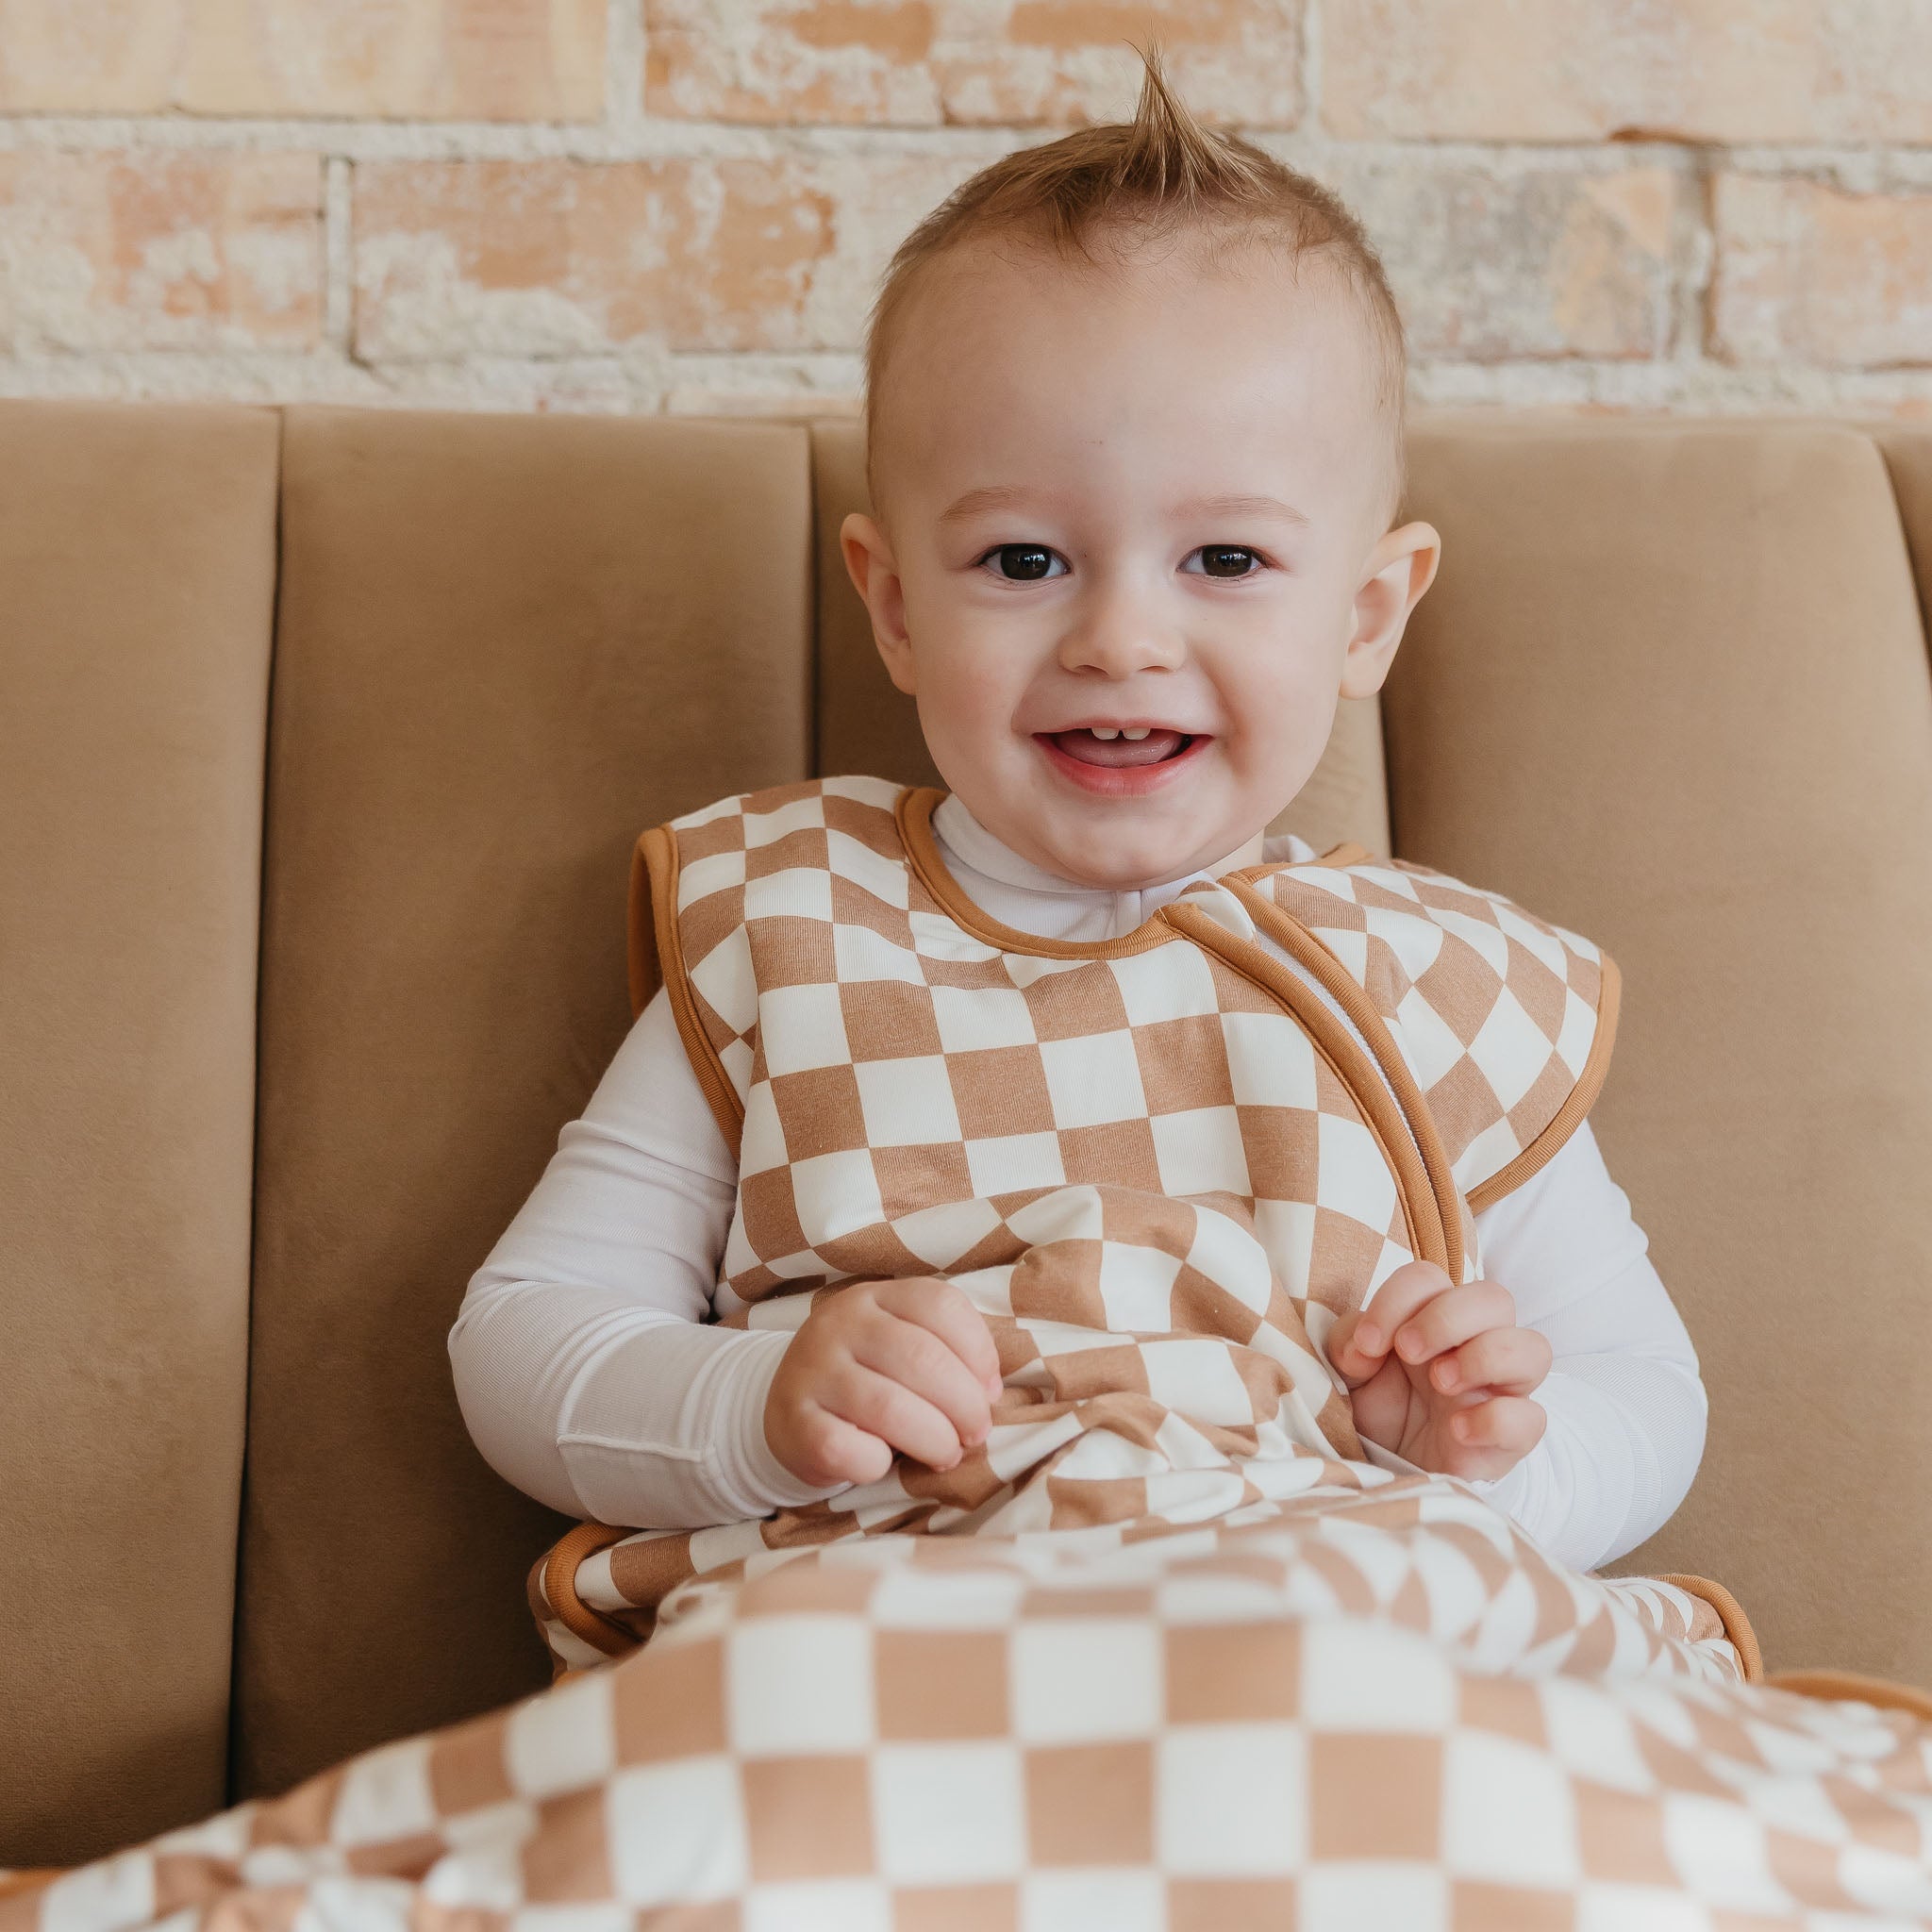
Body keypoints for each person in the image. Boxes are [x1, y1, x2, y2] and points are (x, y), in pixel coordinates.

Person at [449, 49, 1706, 1585]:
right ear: (894, 608)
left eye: (1226, 562)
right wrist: (755, 1408)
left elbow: (1648, 1393)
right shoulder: (786, 933)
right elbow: (525, 1338)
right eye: (1025, 561)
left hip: (1319, 1614)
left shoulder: (1444, 991)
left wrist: (1474, 1472)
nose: (1121, 640)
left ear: (1368, 616)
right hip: (902, 1623)